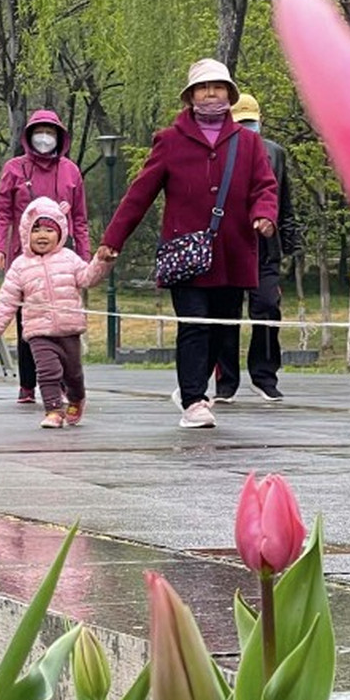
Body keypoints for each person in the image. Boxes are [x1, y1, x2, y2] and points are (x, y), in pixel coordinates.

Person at [96, 59, 277, 430]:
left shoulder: (249, 142)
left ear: (229, 93)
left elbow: (264, 185)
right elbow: (139, 194)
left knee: (223, 328)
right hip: (187, 255)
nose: (211, 94)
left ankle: (193, 387)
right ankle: (194, 398)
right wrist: (112, 240)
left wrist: (264, 214)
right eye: (203, 88)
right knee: (194, 325)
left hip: (234, 253)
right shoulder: (170, 141)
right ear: (191, 95)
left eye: (218, 87)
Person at [0, 109, 89, 404]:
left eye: (50, 132)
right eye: (38, 132)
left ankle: (61, 379)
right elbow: (1, 214)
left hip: (62, 257)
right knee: (28, 322)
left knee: (62, 319)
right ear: (29, 136)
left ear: (59, 136)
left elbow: (80, 219)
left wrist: (84, 255)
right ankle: (28, 383)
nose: (44, 138)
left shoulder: (71, 171)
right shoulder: (13, 169)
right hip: (25, 257)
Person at [0, 197, 110, 428]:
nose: (42, 235)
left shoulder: (69, 258)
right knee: (47, 371)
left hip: (69, 329)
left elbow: (87, 278)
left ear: (61, 232)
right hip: (38, 331)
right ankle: (53, 410)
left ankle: (76, 397)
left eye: (49, 230)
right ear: (25, 233)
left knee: (73, 374)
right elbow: (6, 300)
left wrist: (101, 262)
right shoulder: (20, 266)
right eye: (36, 230)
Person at [213, 92, 301, 402]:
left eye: (251, 122)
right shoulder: (219, 152)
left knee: (267, 307)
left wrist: (288, 244)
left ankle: (264, 376)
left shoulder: (275, 153)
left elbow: (284, 201)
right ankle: (226, 381)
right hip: (229, 245)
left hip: (265, 246)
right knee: (226, 313)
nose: (247, 128)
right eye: (241, 123)